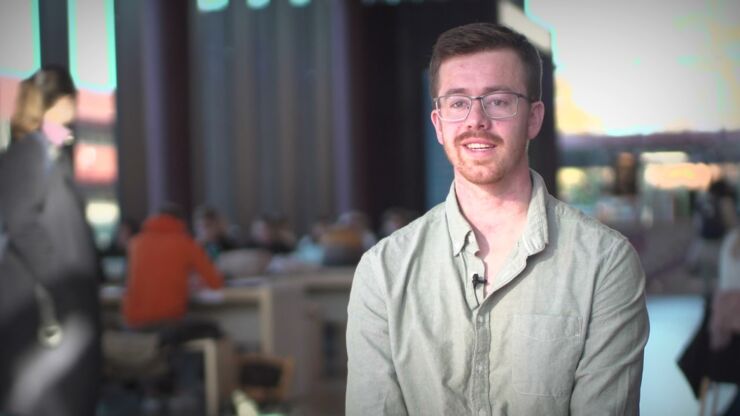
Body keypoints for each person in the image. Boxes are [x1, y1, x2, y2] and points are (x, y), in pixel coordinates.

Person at [346, 23, 649, 415]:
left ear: (534, 118)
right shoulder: (383, 272)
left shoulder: (604, 264)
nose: (476, 120)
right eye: (458, 103)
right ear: (438, 124)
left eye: (499, 101)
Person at [0, 66, 102, 416]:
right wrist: (63, 285)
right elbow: (21, 222)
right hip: (46, 314)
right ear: (59, 103)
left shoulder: (44, 156)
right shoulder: (30, 153)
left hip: (55, 309)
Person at [122, 203, 224, 328]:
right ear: (180, 222)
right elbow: (215, 283)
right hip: (168, 321)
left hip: (133, 324)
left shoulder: (135, 243)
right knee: (215, 328)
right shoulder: (185, 243)